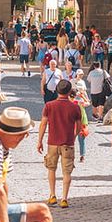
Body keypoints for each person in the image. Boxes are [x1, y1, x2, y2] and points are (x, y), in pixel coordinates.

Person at [37, 79, 82, 208]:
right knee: (67, 172)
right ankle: (64, 198)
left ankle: (52, 195)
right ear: (69, 92)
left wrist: (39, 141)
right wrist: (73, 135)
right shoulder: (75, 107)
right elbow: (79, 126)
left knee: (51, 169)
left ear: (57, 90)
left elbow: (43, 124)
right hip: (68, 143)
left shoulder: (49, 106)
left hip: (52, 143)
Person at [72, 70, 90, 162]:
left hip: (82, 117)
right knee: (71, 138)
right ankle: (70, 154)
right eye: (80, 74)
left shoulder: (83, 84)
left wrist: (84, 99)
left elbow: (87, 101)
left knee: (81, 137)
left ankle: (82, 155)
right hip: (72, 119)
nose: (81, 76)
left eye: (82, 74)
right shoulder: (72, 82)